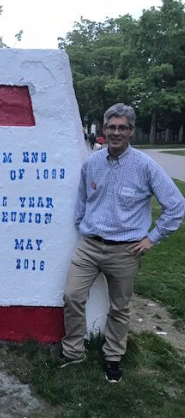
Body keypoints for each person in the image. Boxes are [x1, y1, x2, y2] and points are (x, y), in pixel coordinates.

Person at [58, 103, 185, 382]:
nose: (116, 132)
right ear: (104, 130)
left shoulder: (146, 166)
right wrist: (82, 225)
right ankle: (73, 352)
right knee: (72, 296)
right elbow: (82, 199)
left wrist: (152, 239)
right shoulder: (91, 163)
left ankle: (113, 356)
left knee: (119, 307)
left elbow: (176, 205)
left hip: (125, 251)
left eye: (122, 128)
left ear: (131, 131)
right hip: (89, 246)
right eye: (112, 127)